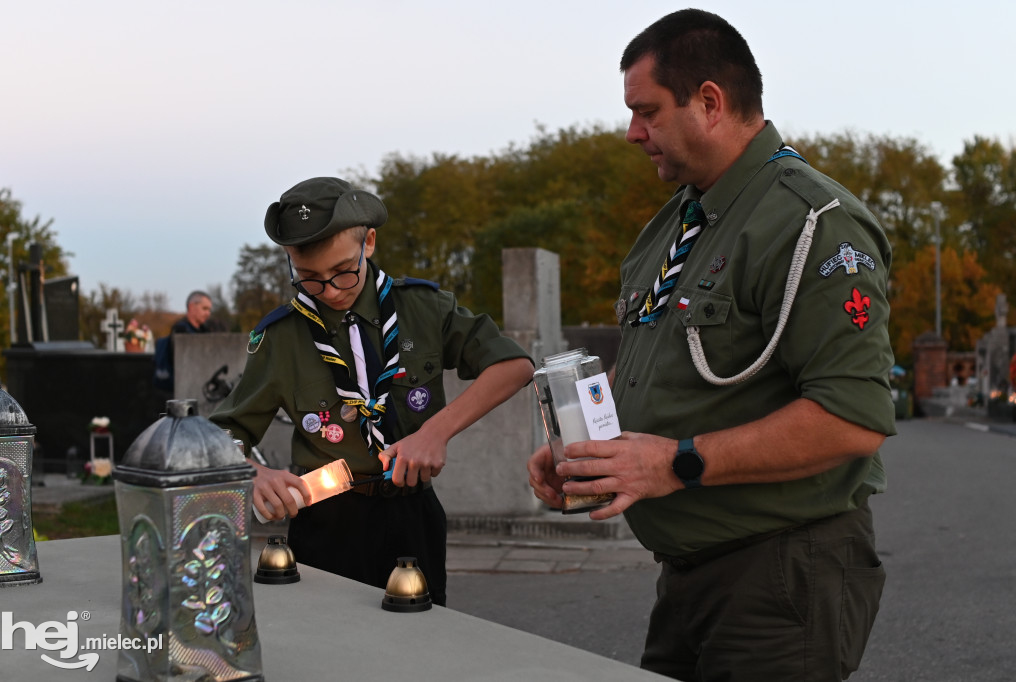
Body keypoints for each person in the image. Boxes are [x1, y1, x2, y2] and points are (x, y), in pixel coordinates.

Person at [527, 9, 895, 681]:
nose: (632, 132)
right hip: (692, 576)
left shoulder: (811, 224)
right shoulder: (679, 221)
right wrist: (590, 454)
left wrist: (675, 464)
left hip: (782, 575)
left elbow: (854, 417)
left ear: (710, 102)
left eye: (647, 112)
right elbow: (655, 363)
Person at [211, 177, 533, 606]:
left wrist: (436, 432)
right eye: (308, 279)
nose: (330, 291)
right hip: (326, 522)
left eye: (343, 272)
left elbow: (514, 366)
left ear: (370, 243)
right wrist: (251, 473)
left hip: (413, 514)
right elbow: (222, 432)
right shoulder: (281, 337)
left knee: (418, 649)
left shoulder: (422, 308)